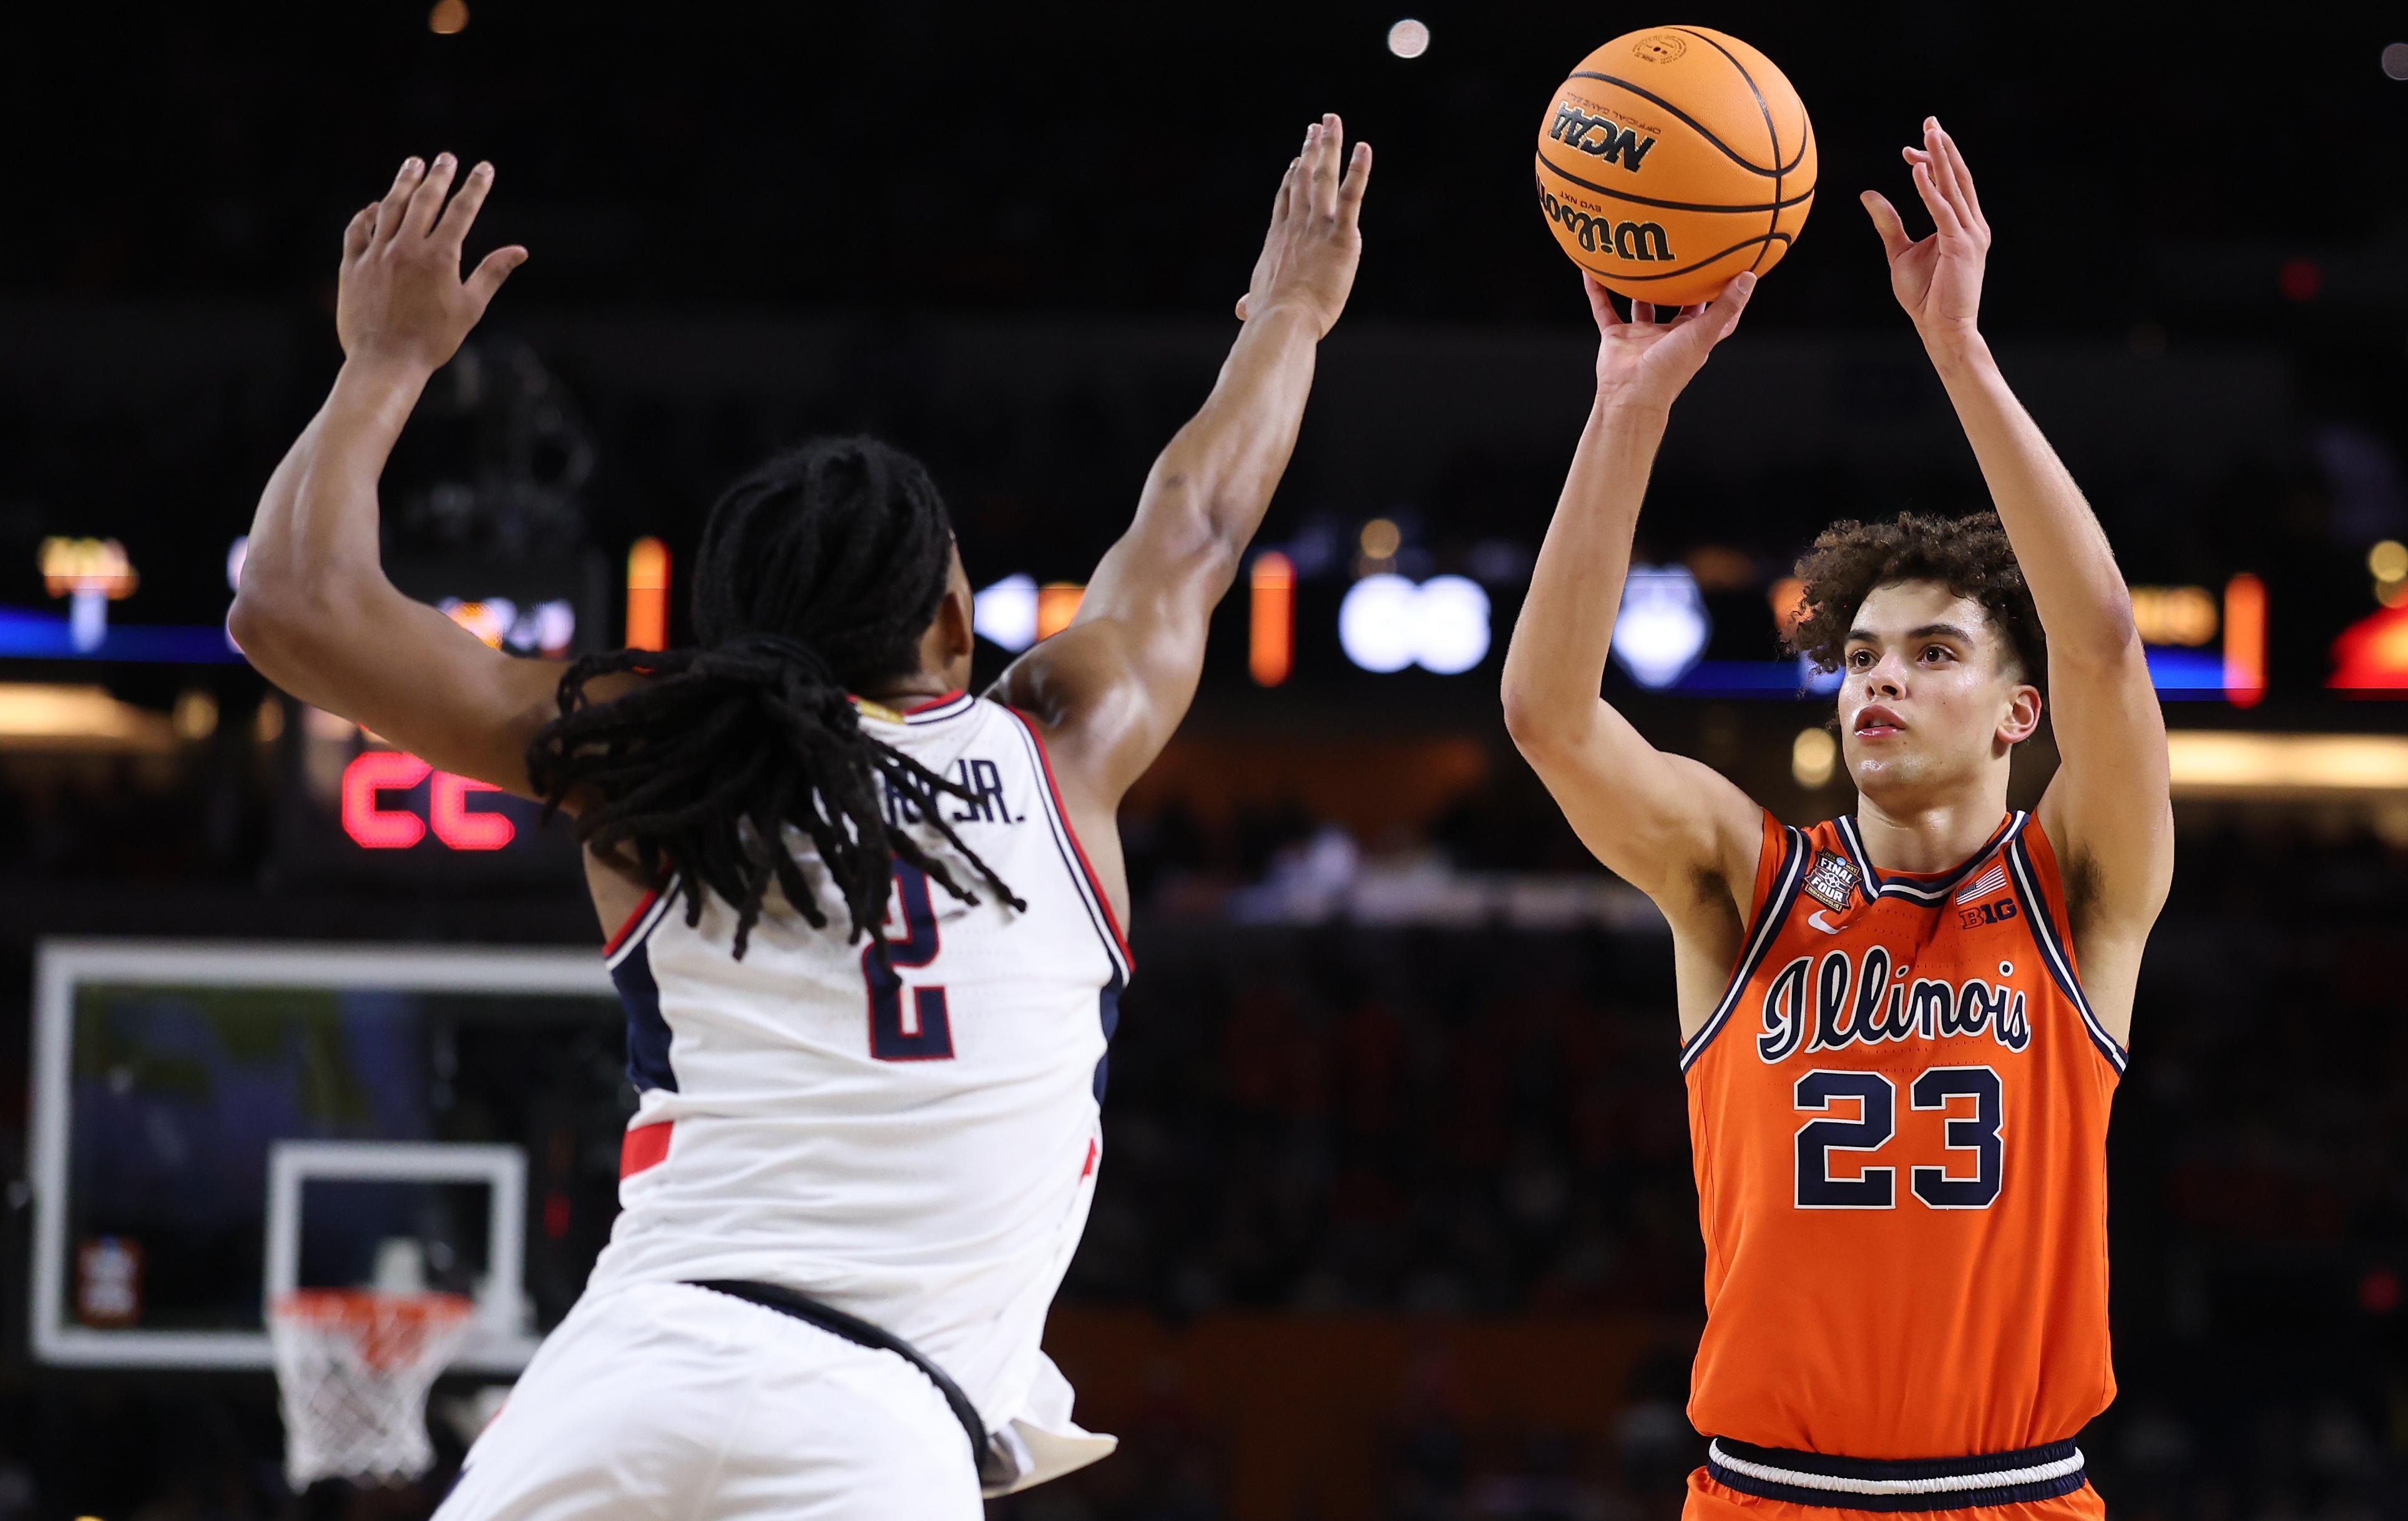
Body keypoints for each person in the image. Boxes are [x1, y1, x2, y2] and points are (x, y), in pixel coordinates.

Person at [230, 117, 1370, 1519]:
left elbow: (289, 604)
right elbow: (1197, 520)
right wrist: (1296, 314)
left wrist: (383, 364)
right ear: (955, 620)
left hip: (627, 1377)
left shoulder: (661, 761)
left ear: (732, 628)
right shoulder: (1061, 749)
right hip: (880, 1424)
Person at [1499, 119, 2172, 1518]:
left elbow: (2101, 640)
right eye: (1861, 654)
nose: (1880, 680)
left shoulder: (2082, 887)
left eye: (1934, 655)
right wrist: (1628, 406)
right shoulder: (1743, 876)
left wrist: (1961, 357)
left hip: (2017, 1492)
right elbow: (1550, 719)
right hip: (1767, 1494)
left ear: (2015, 713)